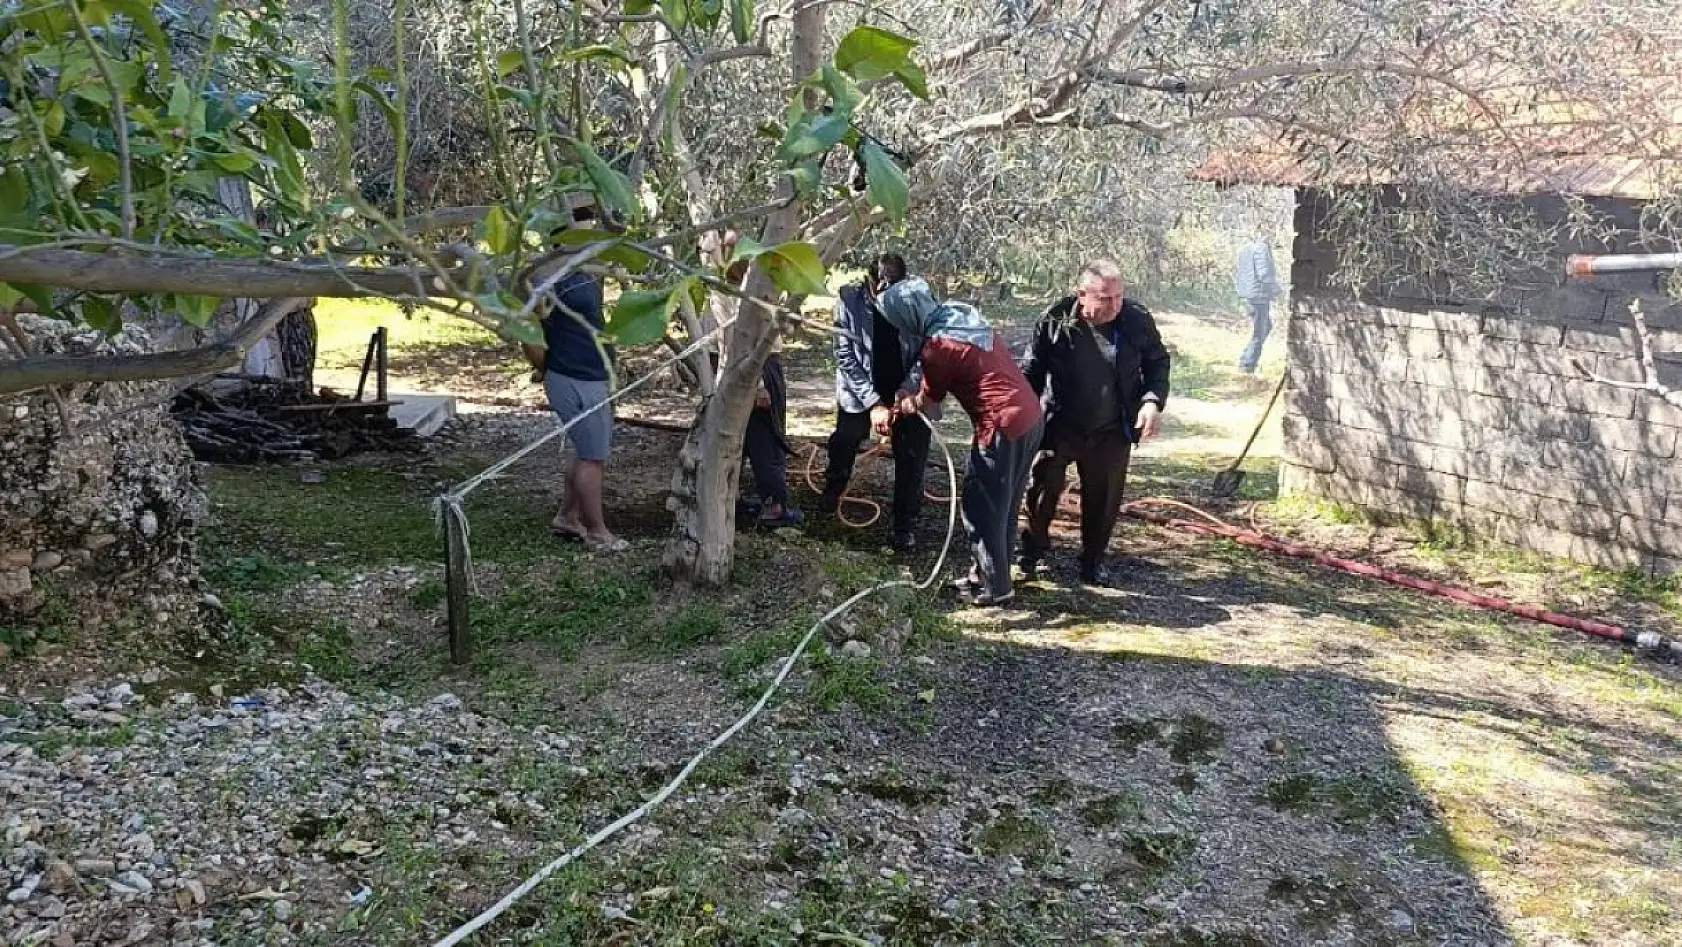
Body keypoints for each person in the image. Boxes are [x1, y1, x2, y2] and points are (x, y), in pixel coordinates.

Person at [880, 279, 1043, 607]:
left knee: (979, 506)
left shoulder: (938, 346)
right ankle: (989, 575)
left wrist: (904, 405)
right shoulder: (959, 314)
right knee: (1006, 503)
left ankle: (996, 589)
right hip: (1030, 416)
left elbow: (928, 401)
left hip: (1002, 424)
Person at [1019, 259, 1170, 585]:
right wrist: (1020, 415)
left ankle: (1092, 561)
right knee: (1040, 488)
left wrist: (1151, 402)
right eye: (1105, 298)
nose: (1115, 305)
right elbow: (1032, 369)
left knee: (1103, 500)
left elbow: (1158, 363)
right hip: (1061, 422)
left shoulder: (1135, 319)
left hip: (1112, 427)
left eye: (1119, 296)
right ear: (1082, 294)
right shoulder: (1055, 319)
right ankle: (1033, 549)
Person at [819, 252, 931, 552]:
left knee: (912, 453)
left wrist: (908, 389)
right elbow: (846, 358)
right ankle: (835, 485)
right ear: (869, 282)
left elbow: (929, 346)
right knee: (845, 438)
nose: (889, 297)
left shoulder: (918, 299)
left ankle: (904, 525)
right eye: (882, 289)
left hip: (907, 387)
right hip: (862, 389)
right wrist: (873, 404)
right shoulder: (848, 300)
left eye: (895, 290)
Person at [522, 246, 630, 554]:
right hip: (575, 376)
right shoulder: (541, 279)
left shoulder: (585, 267)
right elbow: (528, 335)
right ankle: (597, 532)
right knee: (593, 458)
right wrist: (545, 369)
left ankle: (568, 516)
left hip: (593, 375)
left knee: (585, 450)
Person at [1234, 229, 1282, 373]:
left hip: (1249, 295)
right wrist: (1279, 290)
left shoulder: (1246, 249)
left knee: (1265, 328)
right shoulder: (1261, 249)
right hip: (1259, 297)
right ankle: (1247, 365)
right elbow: (1265, 274)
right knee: (1260, 331)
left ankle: (1246, 360)